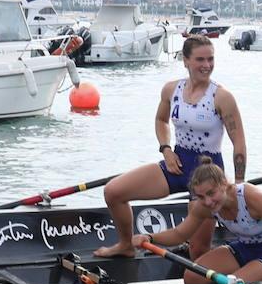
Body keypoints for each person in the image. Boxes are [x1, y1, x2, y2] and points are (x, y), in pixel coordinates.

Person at [95, 36, 245, 258]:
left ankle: (200, 283)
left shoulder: (222, 97)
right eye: (200, 59)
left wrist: (240, 187)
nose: (207, 65)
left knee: (199, 249)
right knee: (113, 192)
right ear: (185, 60)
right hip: (177, 164)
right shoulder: (171, 90)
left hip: (209, 175)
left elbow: (239, 142)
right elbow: (161, 121)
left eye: (211, 59)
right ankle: (126, 245)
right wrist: (166, 149)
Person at [132, 159, 262, 284]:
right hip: (246, 248)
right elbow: (179, 234)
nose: (208, 201)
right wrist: (149, 237)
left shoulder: (253, 198)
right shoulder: (205, 207)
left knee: (234, 283)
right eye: (201, 196)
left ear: (224, 185)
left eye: (211, 193)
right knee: (192, 277)